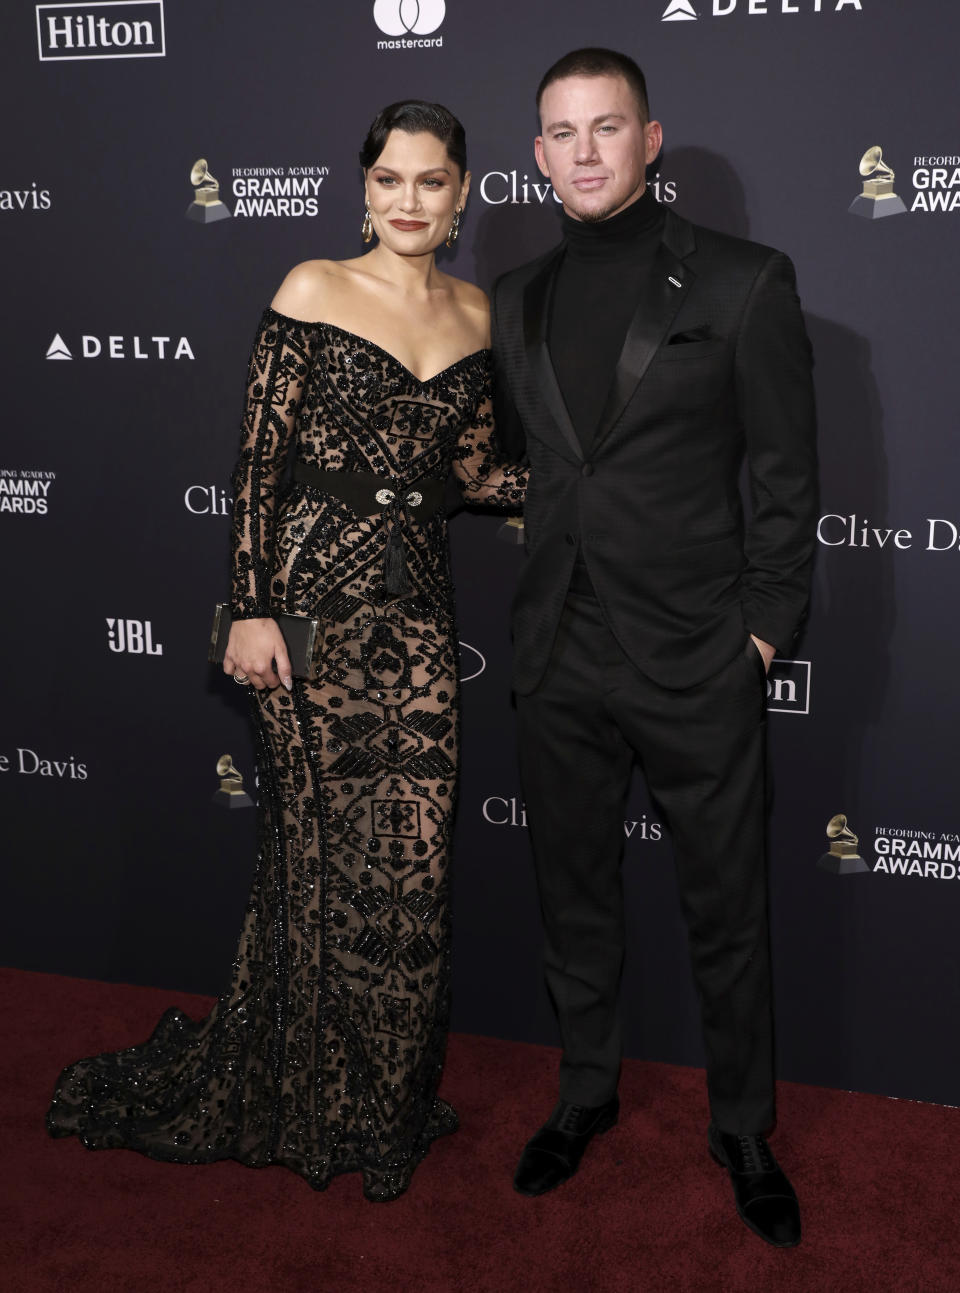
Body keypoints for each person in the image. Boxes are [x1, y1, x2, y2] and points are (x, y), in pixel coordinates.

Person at [46, 101, 526, 1202]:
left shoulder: (479, 312)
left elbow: (471, 474)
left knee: (410, 871)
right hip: (310, 606)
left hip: (414, 616)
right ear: (363, 187)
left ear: (464, 195)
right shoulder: (312, 287)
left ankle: (385, 1100)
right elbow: (259, 465)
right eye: (392, 179)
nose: (410, 200)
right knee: (313, 860)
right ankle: (308, 1096)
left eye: (434, 181)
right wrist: (251, 607)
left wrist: (591, 489)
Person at [491, 49, 818, 1246]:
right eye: (561, 132)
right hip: (558, 654)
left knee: (727, 909)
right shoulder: (512, 297)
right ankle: (585, 1093)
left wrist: (764, 632)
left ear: (650, 139)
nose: (583, 150)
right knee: (573, 898)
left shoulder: (742, 282)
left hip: (696, 657)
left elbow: (785, 479)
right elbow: (528, 465)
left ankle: (743, 1126)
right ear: (537, 156)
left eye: (606, 126)